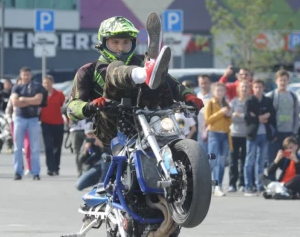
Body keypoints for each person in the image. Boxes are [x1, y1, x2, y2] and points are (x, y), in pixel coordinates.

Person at [66, 13, 202, 146]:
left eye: (126, 42)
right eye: (115, 42)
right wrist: (90, 106)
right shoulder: (89, 70)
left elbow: (172, 84)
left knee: (159, 73)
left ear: (133, 43)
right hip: (112, 126)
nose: (121, 48)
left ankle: (150, 71)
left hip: (150, 117)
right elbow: (71, 108)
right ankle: (142, 74)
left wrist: (189, 96)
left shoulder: (142, 61)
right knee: (115, 68)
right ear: (103, 42)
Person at [11, 67, 44, 181]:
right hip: (19, 118)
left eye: (28, 74)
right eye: (24, 75)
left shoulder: (37, 86)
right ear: (21, 75)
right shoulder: (16, 87)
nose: (26, 76)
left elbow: (38, 101)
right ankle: (18, 171)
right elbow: (15, 102)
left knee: (34, 147)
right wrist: (31, 100)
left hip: (33, 119)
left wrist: (23, 99)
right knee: (17, 147)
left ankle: (35, 172)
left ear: (30, 75)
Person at [244, 79, 276, 195]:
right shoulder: (249, 101)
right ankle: (248, 185)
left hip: (264, 135)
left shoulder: (267, 100)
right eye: (256, 87)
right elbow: (248, 117)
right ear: (253, 88)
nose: (258, 89)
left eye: (260, 87)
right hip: (253, 134)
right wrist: (260, 118)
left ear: (263, 88)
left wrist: (260, 116)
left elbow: (272, 115)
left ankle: (260, 184)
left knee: (261, 161)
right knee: (249, 161)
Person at [266, 69, 300, 162]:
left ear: (288, 81)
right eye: (281, 80)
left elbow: (296, 115)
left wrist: (294, 132)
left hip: (289, 134)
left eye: (285, 80)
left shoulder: (293, 96)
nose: (283, 82)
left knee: (288, 162)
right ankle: (271, 177)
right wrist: (271, 133)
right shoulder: (270, 96)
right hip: (275, 134)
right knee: (273, 161)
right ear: (276, 81)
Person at [205, 82, 232, 196]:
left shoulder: (226, 103)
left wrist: (229, 115)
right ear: (213, 92)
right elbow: (208, 120)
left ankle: (218, 185)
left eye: (222, 90)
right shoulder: (210, 103)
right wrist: (221, 113)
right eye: (218, 90)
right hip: (214, 134)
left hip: (225, 134)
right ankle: (207, 184)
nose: (220, 93)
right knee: (213, 161)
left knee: (222, 161)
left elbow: (229, 122)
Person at [40, 75, 65, 176]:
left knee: (57, 147)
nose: (46, 85)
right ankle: (50, 168)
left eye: (48, 83)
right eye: (45, 83)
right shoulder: (40, 95)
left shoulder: (59, 94)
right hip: (45, 124)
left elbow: (65, 108)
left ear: (52, 83)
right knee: (48, 146)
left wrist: (68, 121)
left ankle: (56, 167)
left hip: (58, 124)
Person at [228, 81, 250, 192]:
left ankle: (242, 183)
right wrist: (243, 117)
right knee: (233, 160)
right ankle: (232, 183)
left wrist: (239, 115)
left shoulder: (250, 102)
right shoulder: (233, 102)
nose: (244, 89)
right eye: (242, 87)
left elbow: (250, 118)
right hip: (234, 134)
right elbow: (231, 118)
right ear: (238, 89)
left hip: (247, 135)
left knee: (244, 160)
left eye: (246, 87)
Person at [76, 122, 108, 191]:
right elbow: (80, 160)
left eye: (94, 133)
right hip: (93, 168)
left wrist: (103, 147)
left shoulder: (103, 140)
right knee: (79, 185)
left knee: (104, 156)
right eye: (89, 134)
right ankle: (96, 183)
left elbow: (112, 154)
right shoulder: (86, 142)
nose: (92, 136)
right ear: (86, 134)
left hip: (105, 166)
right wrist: (85, 151)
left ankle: (103, 183)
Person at [196, 75, 213, 153]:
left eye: (205, 83)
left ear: (210, 83)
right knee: (202, 153)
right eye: (201, 83)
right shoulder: (198, 96)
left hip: (213, 129)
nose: (203, 85)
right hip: (201, 129)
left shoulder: (214, 96)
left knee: (212, 154)